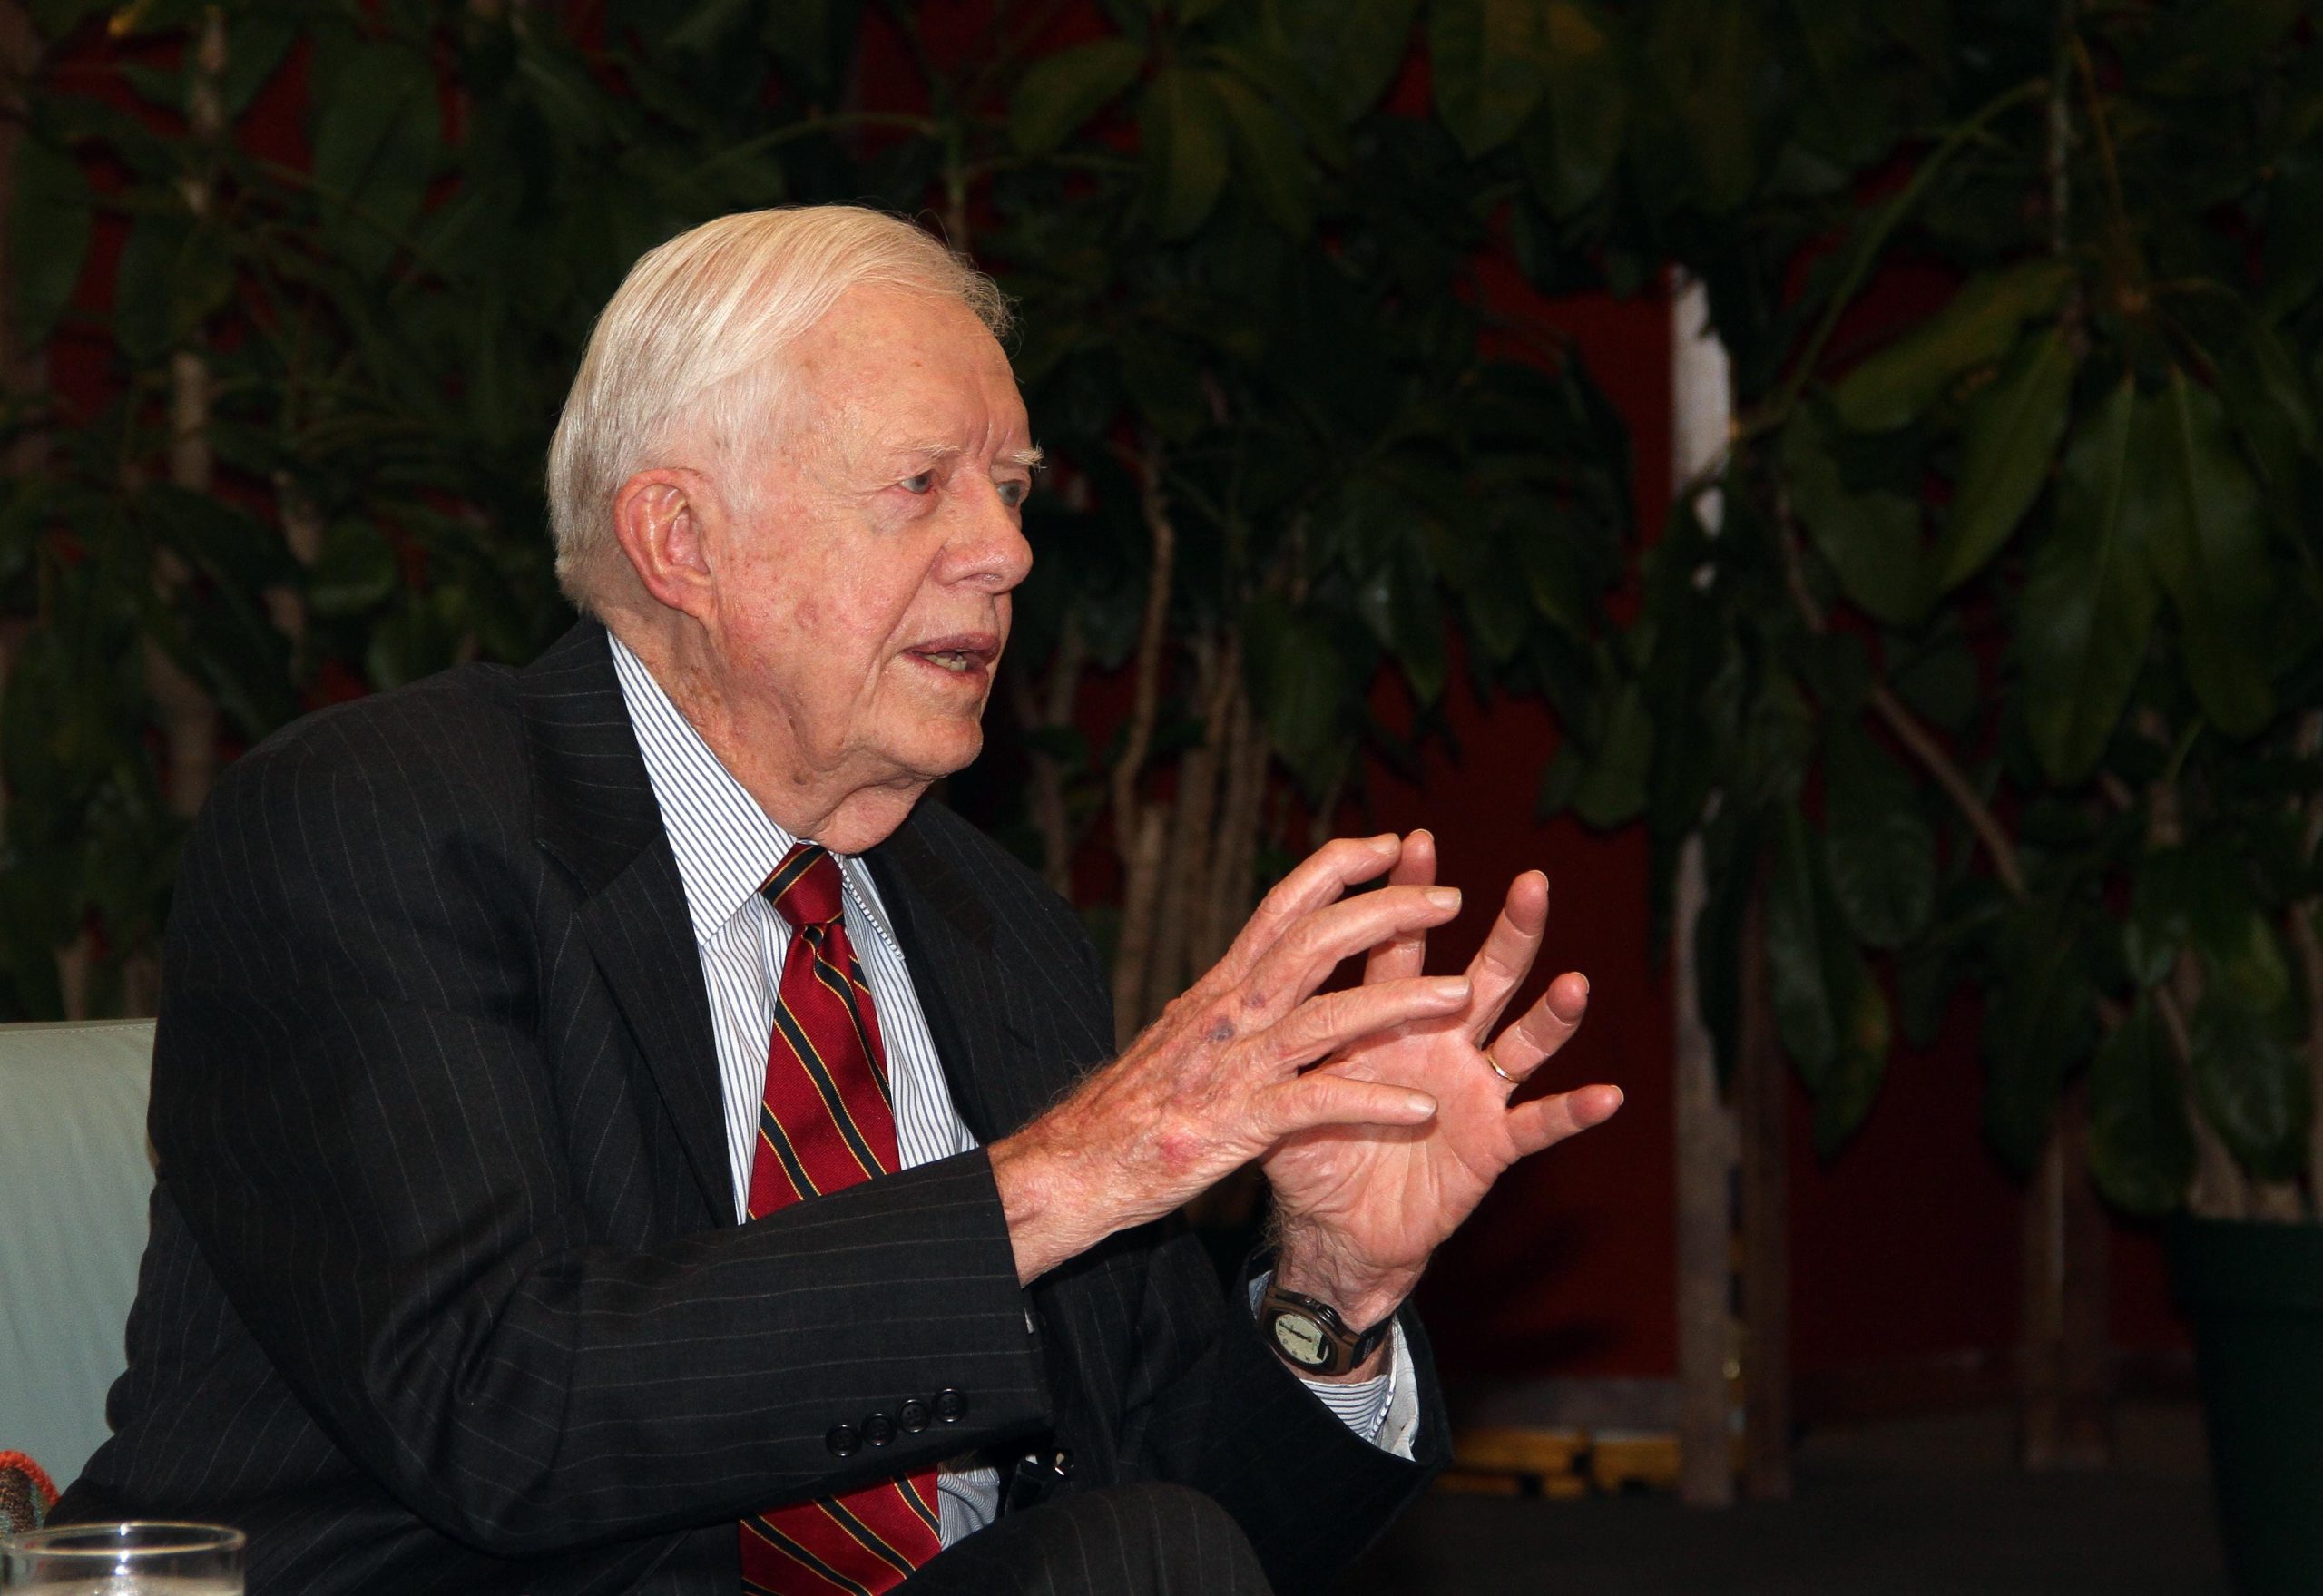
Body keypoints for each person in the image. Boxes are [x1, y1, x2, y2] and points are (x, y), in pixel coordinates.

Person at [55, 207, 1621, 1596]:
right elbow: (496, 1413)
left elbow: (1183, 1529)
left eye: (1010, 489)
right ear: (682, 541)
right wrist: (1080, 1171)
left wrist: (1331, 1291)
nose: (1005, 552)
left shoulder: (996, 929)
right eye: (922, 485)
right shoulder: (382, 827)